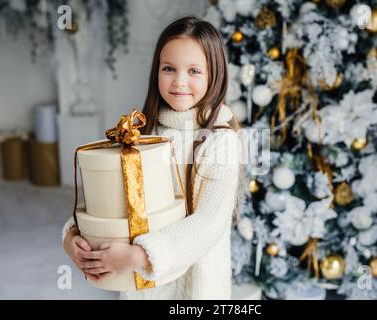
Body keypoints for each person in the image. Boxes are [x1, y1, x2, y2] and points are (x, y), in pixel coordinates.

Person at [62, 16, 243, 300]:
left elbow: (209, 222)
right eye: (169, 68)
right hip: (141, 289)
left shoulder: (221, 141)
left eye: (194, 71)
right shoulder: (139, 134)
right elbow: (108, 201)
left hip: (196, 288)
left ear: (214, 75)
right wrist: (72, 236)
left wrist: (138, 255)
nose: (180, 81)